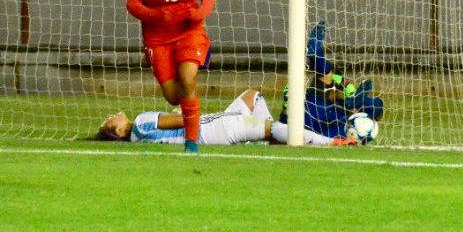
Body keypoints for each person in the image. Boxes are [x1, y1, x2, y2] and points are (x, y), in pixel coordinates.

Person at [126, 0, 215, 154]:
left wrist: (199, 15)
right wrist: (156, 16)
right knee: (174, 97)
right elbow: (132, 4)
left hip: (189, 30)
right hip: (158, 38)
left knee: (188, 78)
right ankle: (189, 105)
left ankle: (191, 143)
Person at [98, 90, 357, 147]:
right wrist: (184, 111)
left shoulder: (140, 139)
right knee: (273, 127)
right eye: (110, 123)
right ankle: (330, 142)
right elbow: (184, 122)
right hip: (214, 128)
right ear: (119, 132)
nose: (112, 116)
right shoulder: (141, 122)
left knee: (253, 96)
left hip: (212, 129)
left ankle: (263, 141)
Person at [279, 20, 385, 139]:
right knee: (372, 106)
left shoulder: (336, 104)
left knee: (373, 104)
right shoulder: (332, 105)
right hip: (322, 128)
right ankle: (316, 55)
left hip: (304, 124)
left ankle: (316, 55)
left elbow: (283, 120)